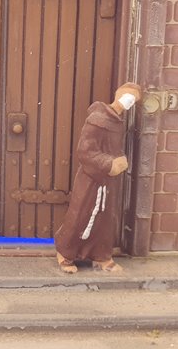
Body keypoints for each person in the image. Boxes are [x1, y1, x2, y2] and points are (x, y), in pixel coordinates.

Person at [54, 82, 142, 274]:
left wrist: (120, 160)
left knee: (105, 220)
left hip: (108, 180)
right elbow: (85, 151)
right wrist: (109, 163)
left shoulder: (117, 121)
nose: (130, 102)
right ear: (119, 94)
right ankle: (65, 251)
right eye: (129, 96)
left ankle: (102, 256)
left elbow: (113, 148)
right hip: (90, 178)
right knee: (80, 215)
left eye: (134, 100)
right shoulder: (98, 119)